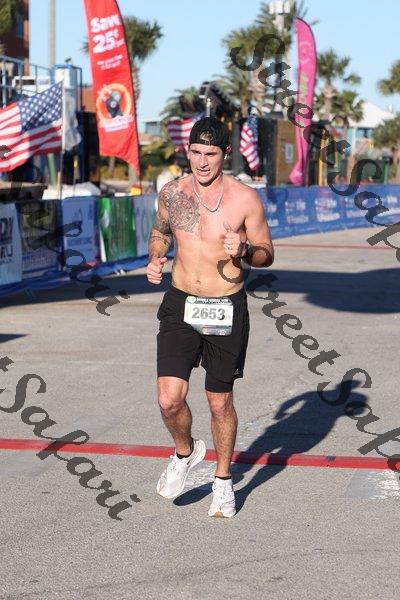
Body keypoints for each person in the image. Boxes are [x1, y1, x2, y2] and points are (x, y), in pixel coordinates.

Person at [146, 117, 274, 517]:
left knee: (219, 403)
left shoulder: (245, 199)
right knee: (169, 400)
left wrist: (246, 249)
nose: (202, 162)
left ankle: (222, 481)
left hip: (225, 306)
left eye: (211, 153)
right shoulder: (172, 193)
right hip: (181, 302)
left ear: (225, 154)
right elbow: (161, 232)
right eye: (196, 152)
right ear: (187, 151)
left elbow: (267, 253)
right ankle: (185, 452)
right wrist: (156, 257)